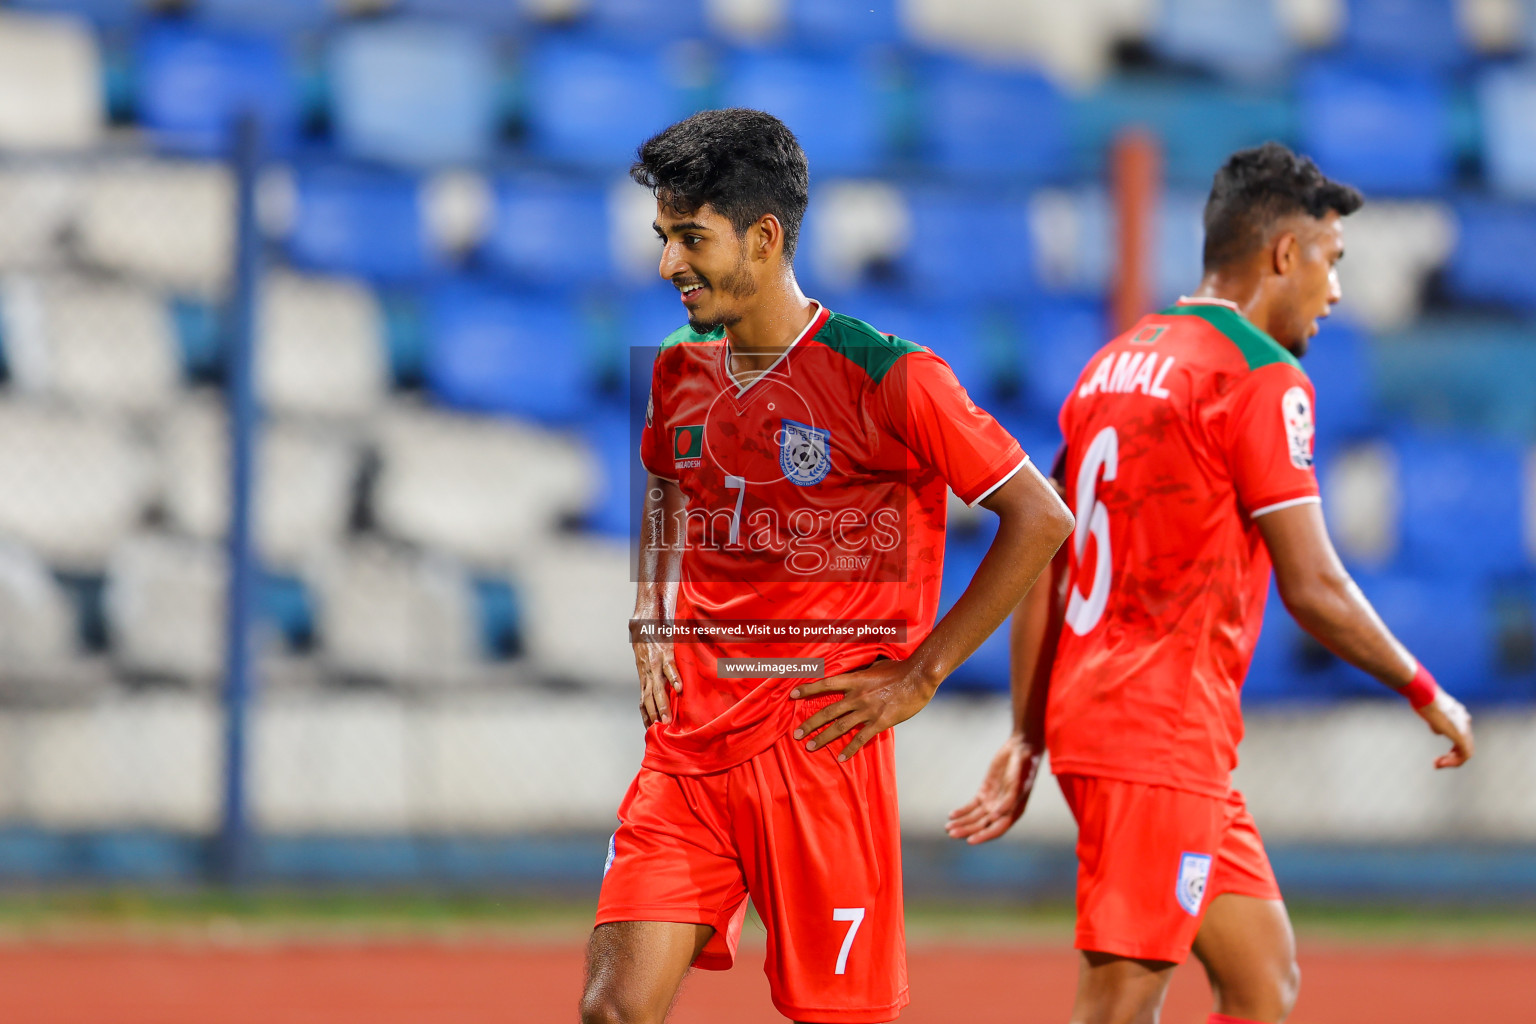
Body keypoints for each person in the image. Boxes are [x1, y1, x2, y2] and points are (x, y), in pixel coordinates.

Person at [946, 142, 1476, 1024]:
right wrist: (1425, 689)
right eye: (1331, 261)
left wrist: (1028, 731)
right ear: (1282, 254)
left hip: (1117, 721)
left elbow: (1048, 556)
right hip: (1158, 732)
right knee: (1121, 996)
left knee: (1262, 976)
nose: (1334, 292)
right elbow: (1316, 587)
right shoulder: (1262, 379)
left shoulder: (1112, 364)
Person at [581, 108, 1074, 1024]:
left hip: (818, 753)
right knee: (612, 1011)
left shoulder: (892, 377)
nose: (667, 266)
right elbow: (665, 479)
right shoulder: (679, 370)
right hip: (685, 751)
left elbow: (1039, 517)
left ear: (764, 238)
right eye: (663, 238)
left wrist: (920, 674)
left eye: (691, 239)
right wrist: (652, 609)